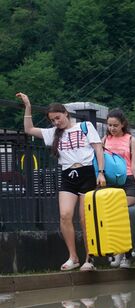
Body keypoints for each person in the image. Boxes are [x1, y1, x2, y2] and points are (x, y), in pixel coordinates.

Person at [16, 92, 105, 271]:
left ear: (65, 113)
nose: (57, 122)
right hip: (67, 174)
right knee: (65, 215)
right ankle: (73, 257)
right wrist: (28, 106)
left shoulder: (85, 126)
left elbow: (98, 149)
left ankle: (90, 258)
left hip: (87, 173)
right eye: (53, 120)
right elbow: (29, 129)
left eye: (58, 118)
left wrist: (101, 172)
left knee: (84, 218)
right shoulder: (53, 133)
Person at [103, 109, 135, 269]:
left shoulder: (130, 140)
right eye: (109, 125)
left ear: (123, 124)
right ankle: (119, 252)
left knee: (122, 214)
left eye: (115, 125)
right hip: (111, 182)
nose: (112, 128)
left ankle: (126, 255)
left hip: (128, 181)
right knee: (114, 218)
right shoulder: (104, 140)